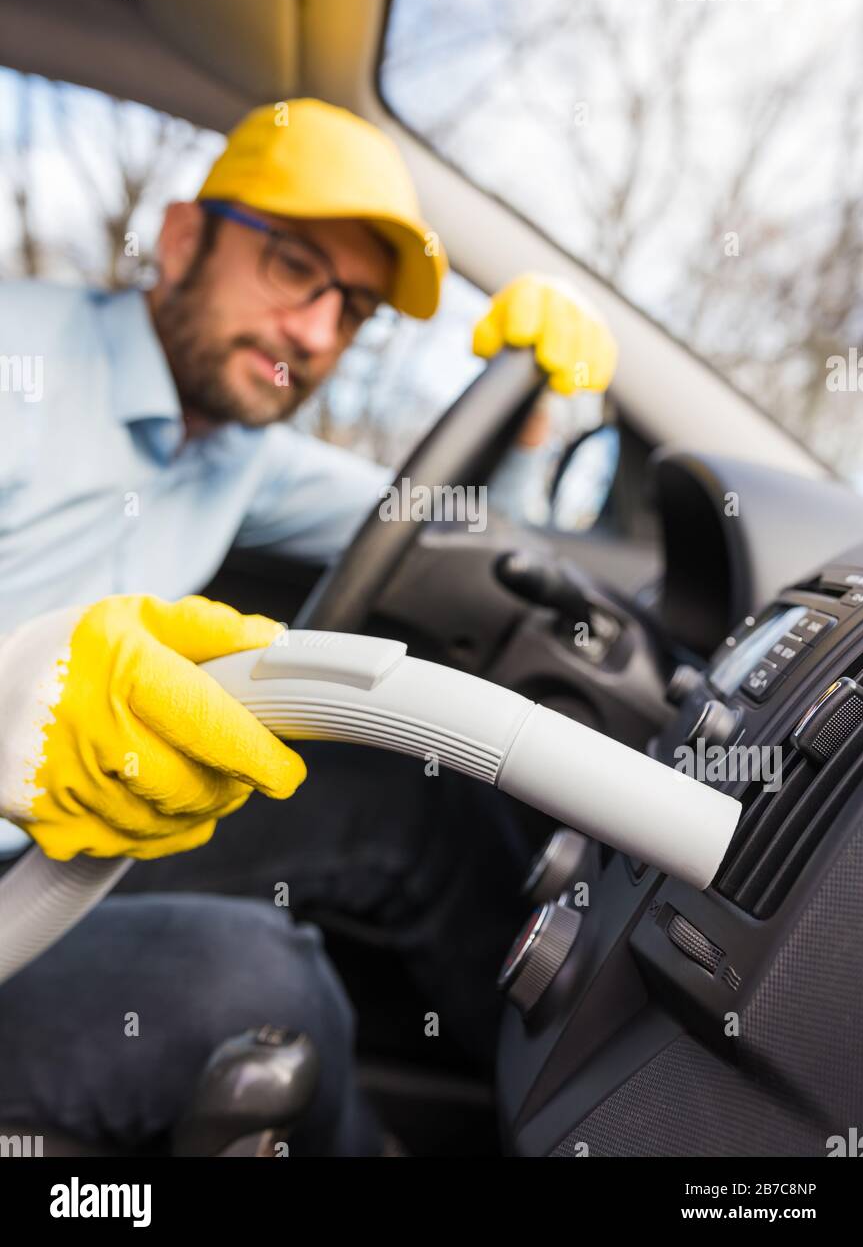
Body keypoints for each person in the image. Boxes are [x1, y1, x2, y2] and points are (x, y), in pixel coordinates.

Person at [0, 99, 616, 1152]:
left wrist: (525, 418)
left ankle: (588, 1097)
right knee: (266, 985)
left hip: (73, 828)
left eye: (355, 309)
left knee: (404, 792)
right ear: (186, 237)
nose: (317, 333)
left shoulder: (239, 449)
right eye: (292, 267)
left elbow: (446, 524)